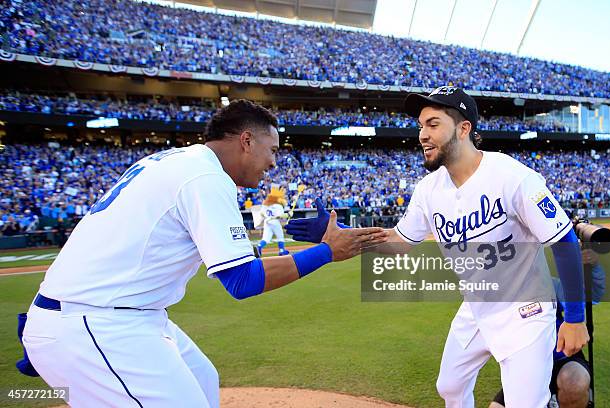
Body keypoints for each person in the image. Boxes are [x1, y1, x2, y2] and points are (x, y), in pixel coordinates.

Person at [20, 100, 386, 408]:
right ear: (246, 140)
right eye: (272, 149)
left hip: (113, 314)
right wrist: (326, 252)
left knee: (204, 381)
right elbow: (243, 280)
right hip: (97, 322)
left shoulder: (173, 161)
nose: (274, 162)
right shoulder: (205, 178)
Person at [287, 86, 589, 407]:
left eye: (433, 124)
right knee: (450, 386)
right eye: (420, 126)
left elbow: (564, 240)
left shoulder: (512, 177)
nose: (422, 135)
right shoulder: (429, 189)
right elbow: (397, 242)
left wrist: (574, 319)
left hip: (524, 312)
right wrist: (340, 232)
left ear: (463, 128)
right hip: (475, 308)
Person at [490, 247, 605, 408]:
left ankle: (555, 398)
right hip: (527, 363)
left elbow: (590, 296)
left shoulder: (551, 285)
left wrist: (592, 267)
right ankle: (550, 398)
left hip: (563, 358)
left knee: (575, 382)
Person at [257, 186, 291, 256]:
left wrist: (267, 217)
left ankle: (259, 247)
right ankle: (281, 251)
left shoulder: (266, 204)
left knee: (266, 238)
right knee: (280, 236)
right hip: (274, 221)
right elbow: (280, 215)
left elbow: (261, 213)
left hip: (267, 221)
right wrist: (288, 214)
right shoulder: (278, 205)